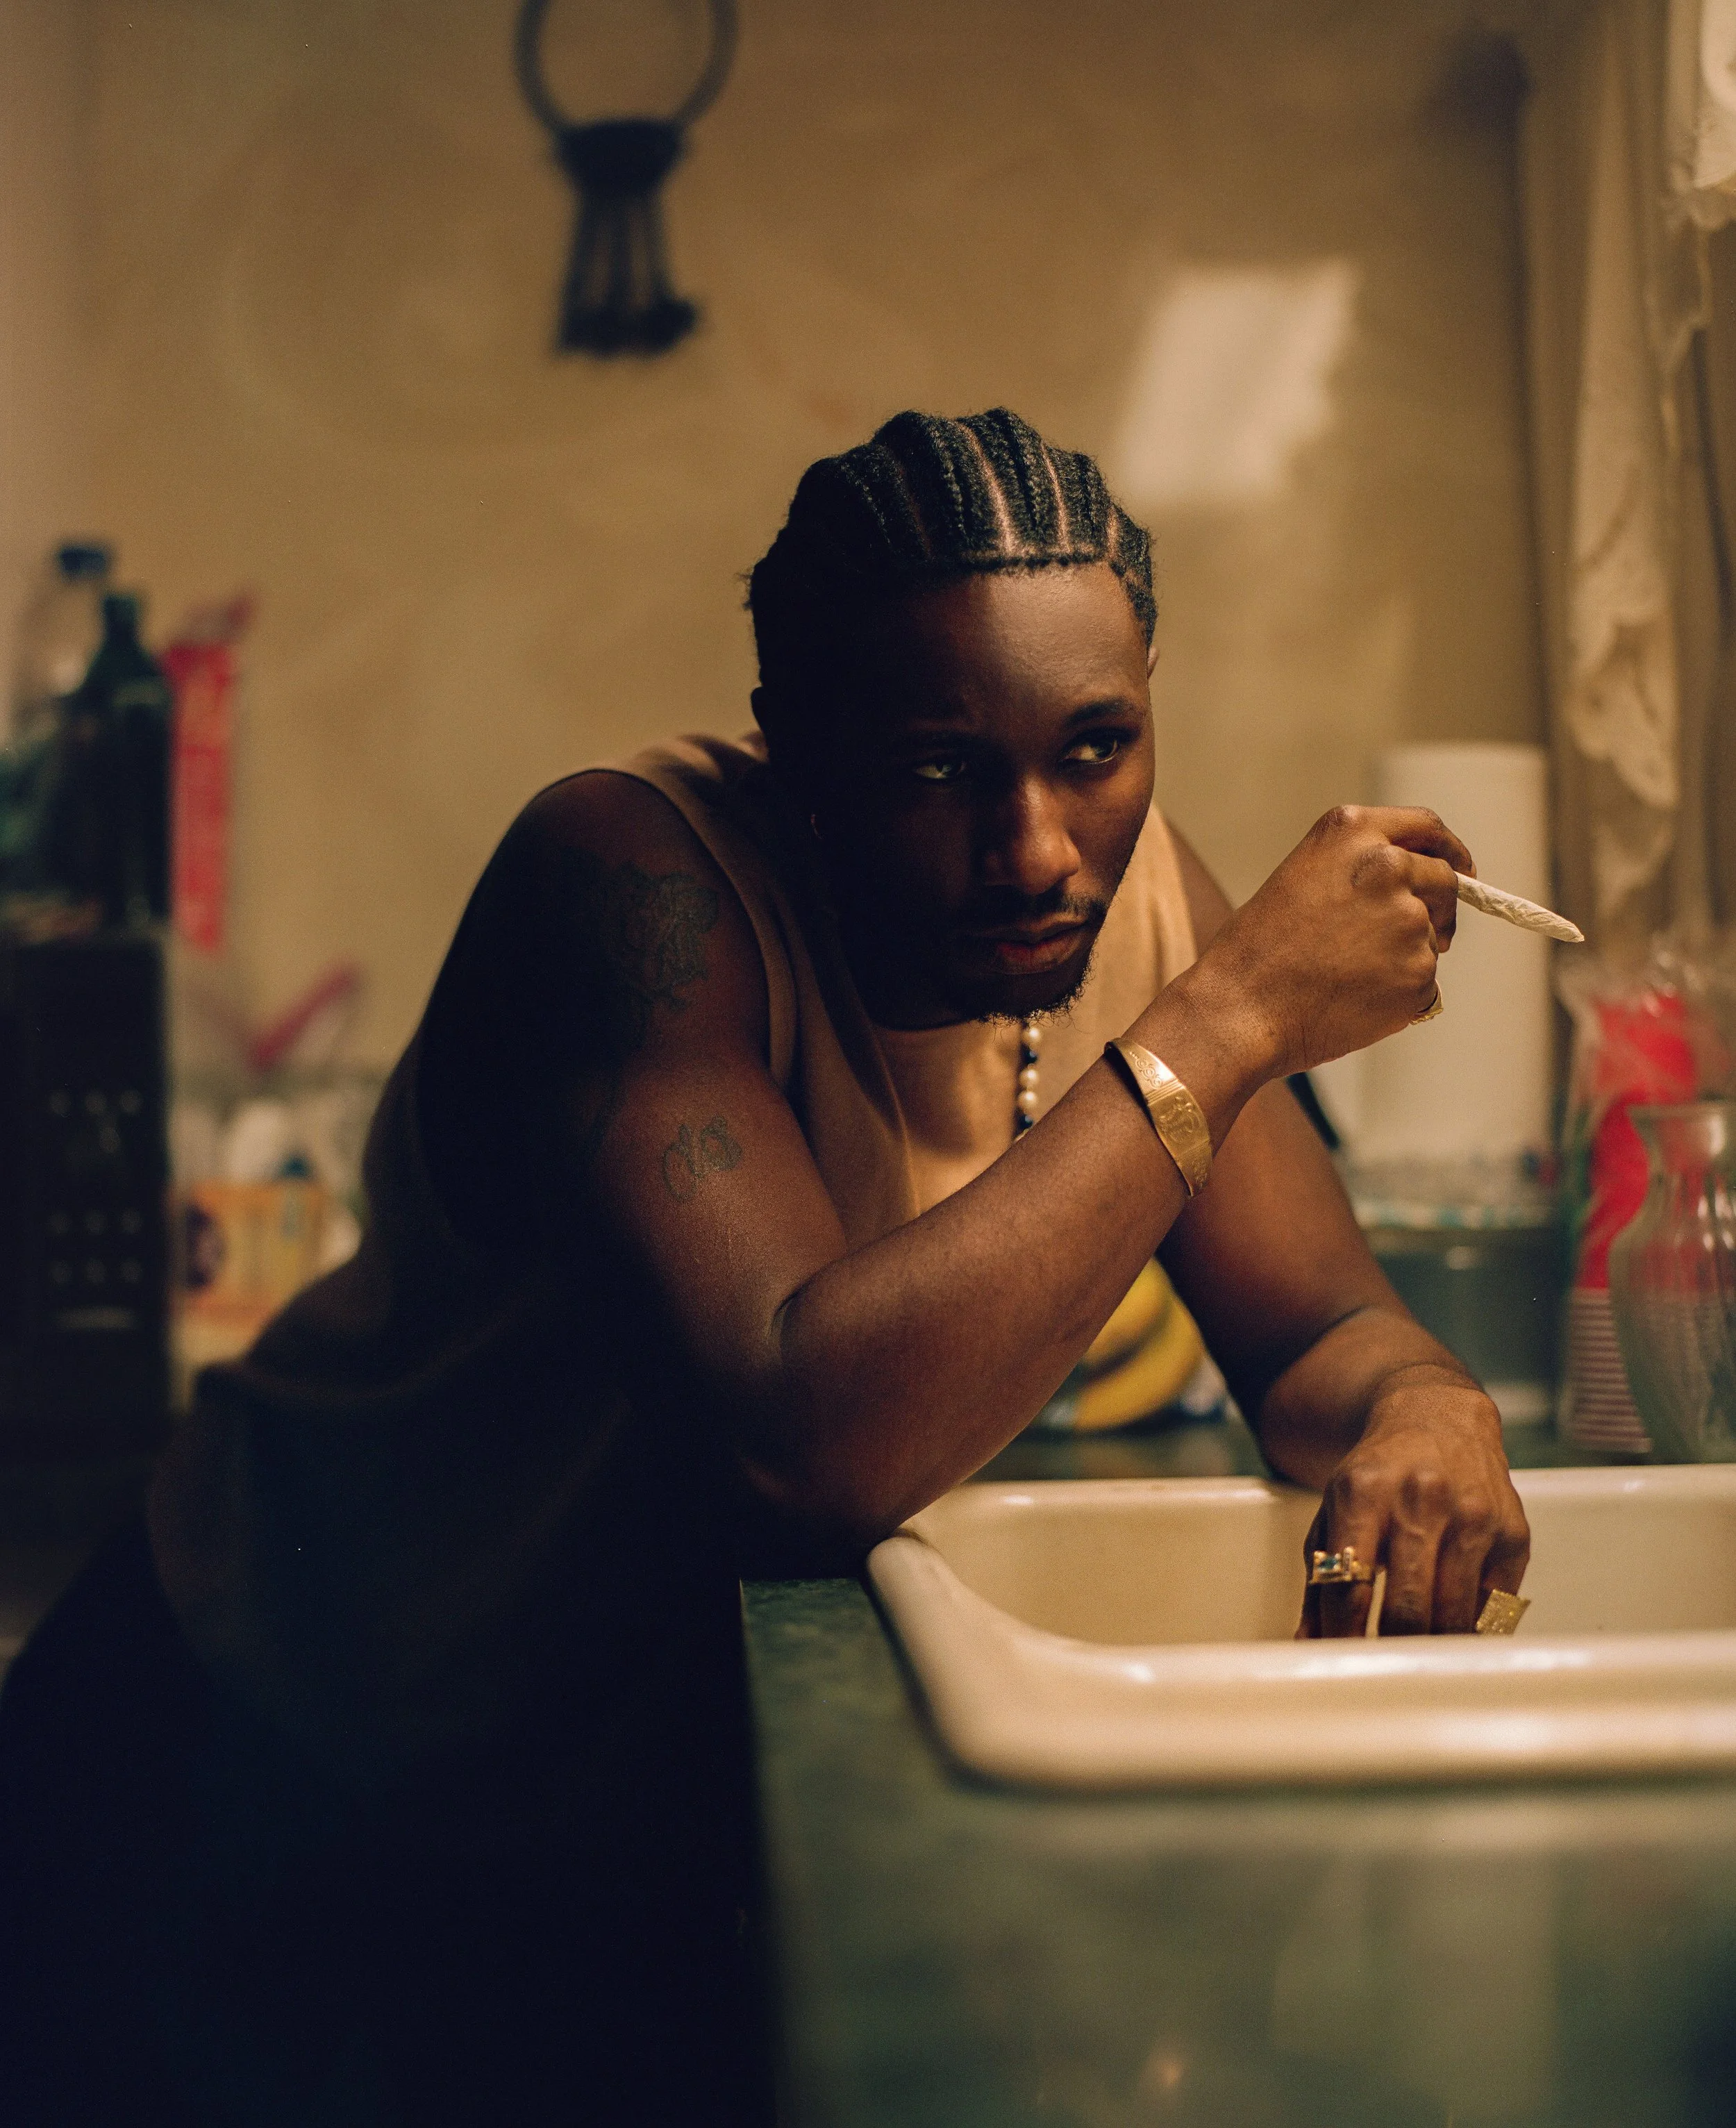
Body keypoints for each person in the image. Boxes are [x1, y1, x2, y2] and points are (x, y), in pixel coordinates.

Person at [0, 409, 1529, 2124]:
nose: (1035, 846)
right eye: (936, 767)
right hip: (245, 1742)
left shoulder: (1139, 915)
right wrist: (1232, 1016)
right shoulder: (628, 882)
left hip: (568, 1794)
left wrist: (1422, 1401)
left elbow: (1319, 1322)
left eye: (1095, 746)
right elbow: (804, 1435)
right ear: (790, 748)